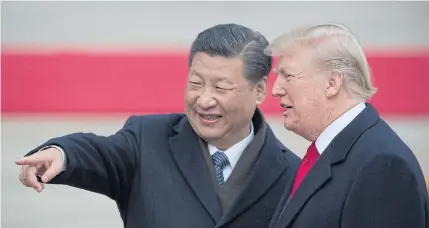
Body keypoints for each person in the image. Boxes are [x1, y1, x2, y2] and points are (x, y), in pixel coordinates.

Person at [15, 23, 301, 228]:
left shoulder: (293, 176)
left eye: (221, 88)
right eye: (195, 84)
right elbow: (100, 152)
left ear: (260, 90)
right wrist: (61, 153)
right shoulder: (148, 140)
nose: (204, 100)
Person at [265, 23, 429, 228]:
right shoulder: (329, 153)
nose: (276, 90)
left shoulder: (382, 166)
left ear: (332, 84)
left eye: (287, 76)